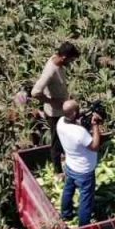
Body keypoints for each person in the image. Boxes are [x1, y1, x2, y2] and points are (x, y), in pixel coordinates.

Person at [31, 41, 80, 173]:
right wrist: (51, 101)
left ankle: (66, 161)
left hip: (61, 110)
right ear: (64, 58)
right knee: (56, 142)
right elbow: (35, 92)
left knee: (64, 138)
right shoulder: (50, 71)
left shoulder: (56, 59)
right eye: (70, 60)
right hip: (55, 114)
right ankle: (58, 171)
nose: (70, 63)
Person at [57, 99, 104, 225]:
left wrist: (84, 112)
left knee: (68, 190)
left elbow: (74, 118)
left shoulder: (60, 122)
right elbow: (95, 146)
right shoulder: (79, 132)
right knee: (86, 199)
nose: (79, 112)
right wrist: (95, 126)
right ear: (73, 114)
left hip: (70, 166)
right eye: (77, 110)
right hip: (84, 171)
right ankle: (84, 226)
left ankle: (66, 214)